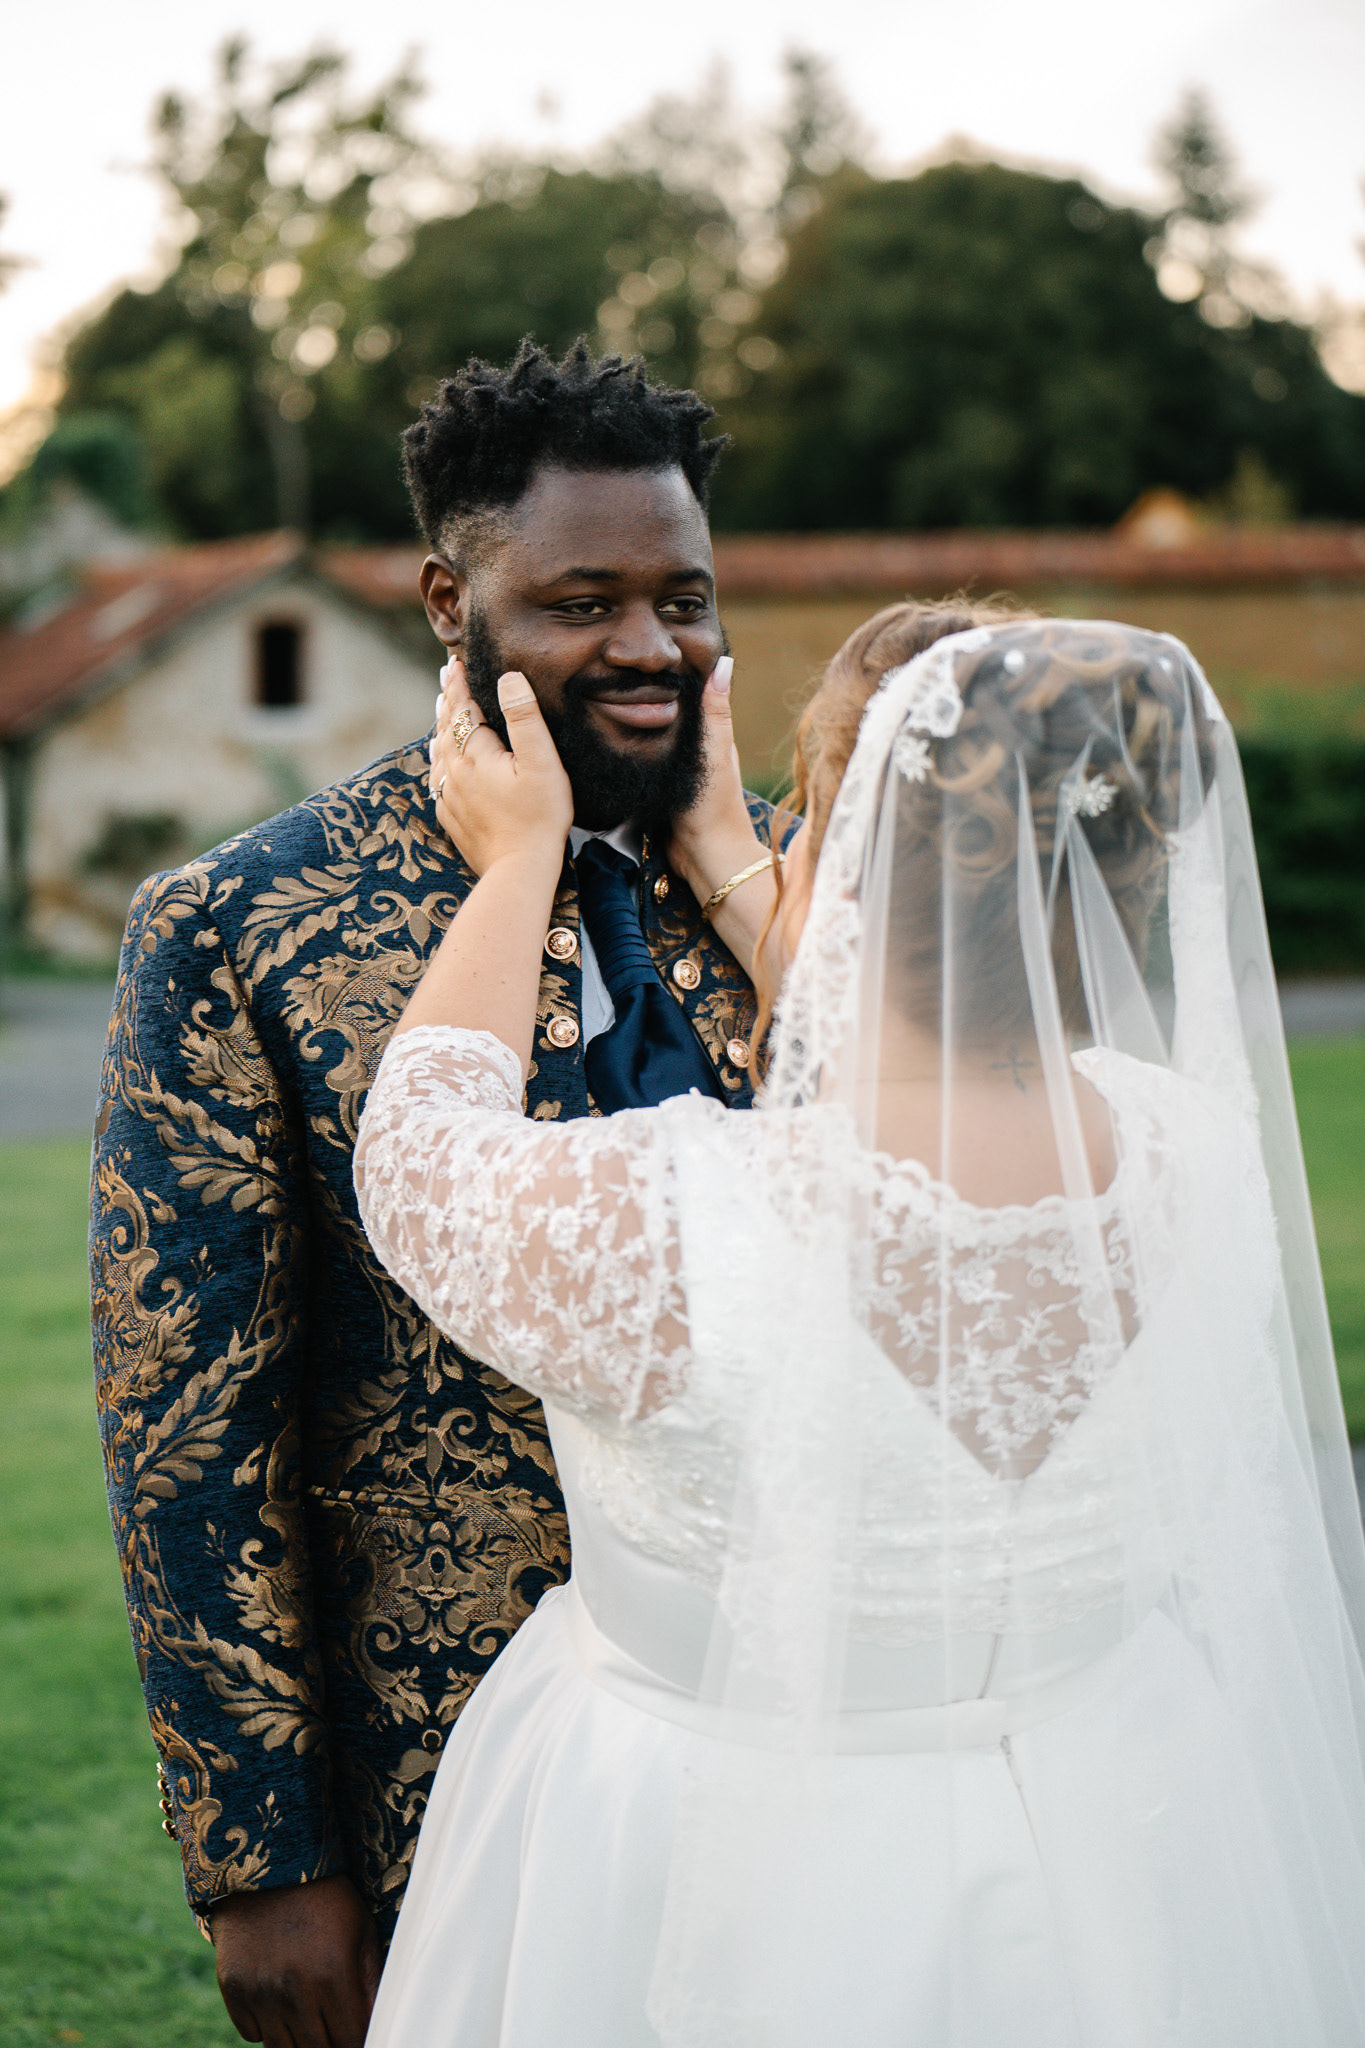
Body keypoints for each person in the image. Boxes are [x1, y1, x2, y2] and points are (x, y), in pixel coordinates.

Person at [354, 604, 1365, 2045]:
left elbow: (416, 1151)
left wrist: (518, 859)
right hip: (1125, 1829)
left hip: (720, 1860)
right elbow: (934, 1044)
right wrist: (737, 858)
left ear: (837, 858)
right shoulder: (1196, 1154)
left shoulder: (674, 1224)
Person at [90, 340, 788, 2048]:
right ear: (447, 604)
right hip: (445, 1768)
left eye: (683, 598)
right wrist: (259, 1861)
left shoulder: (806, 878)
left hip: (800, 1724)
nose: (651, 647)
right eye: (582, 603)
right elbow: (190, 1428)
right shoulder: (242, 927)